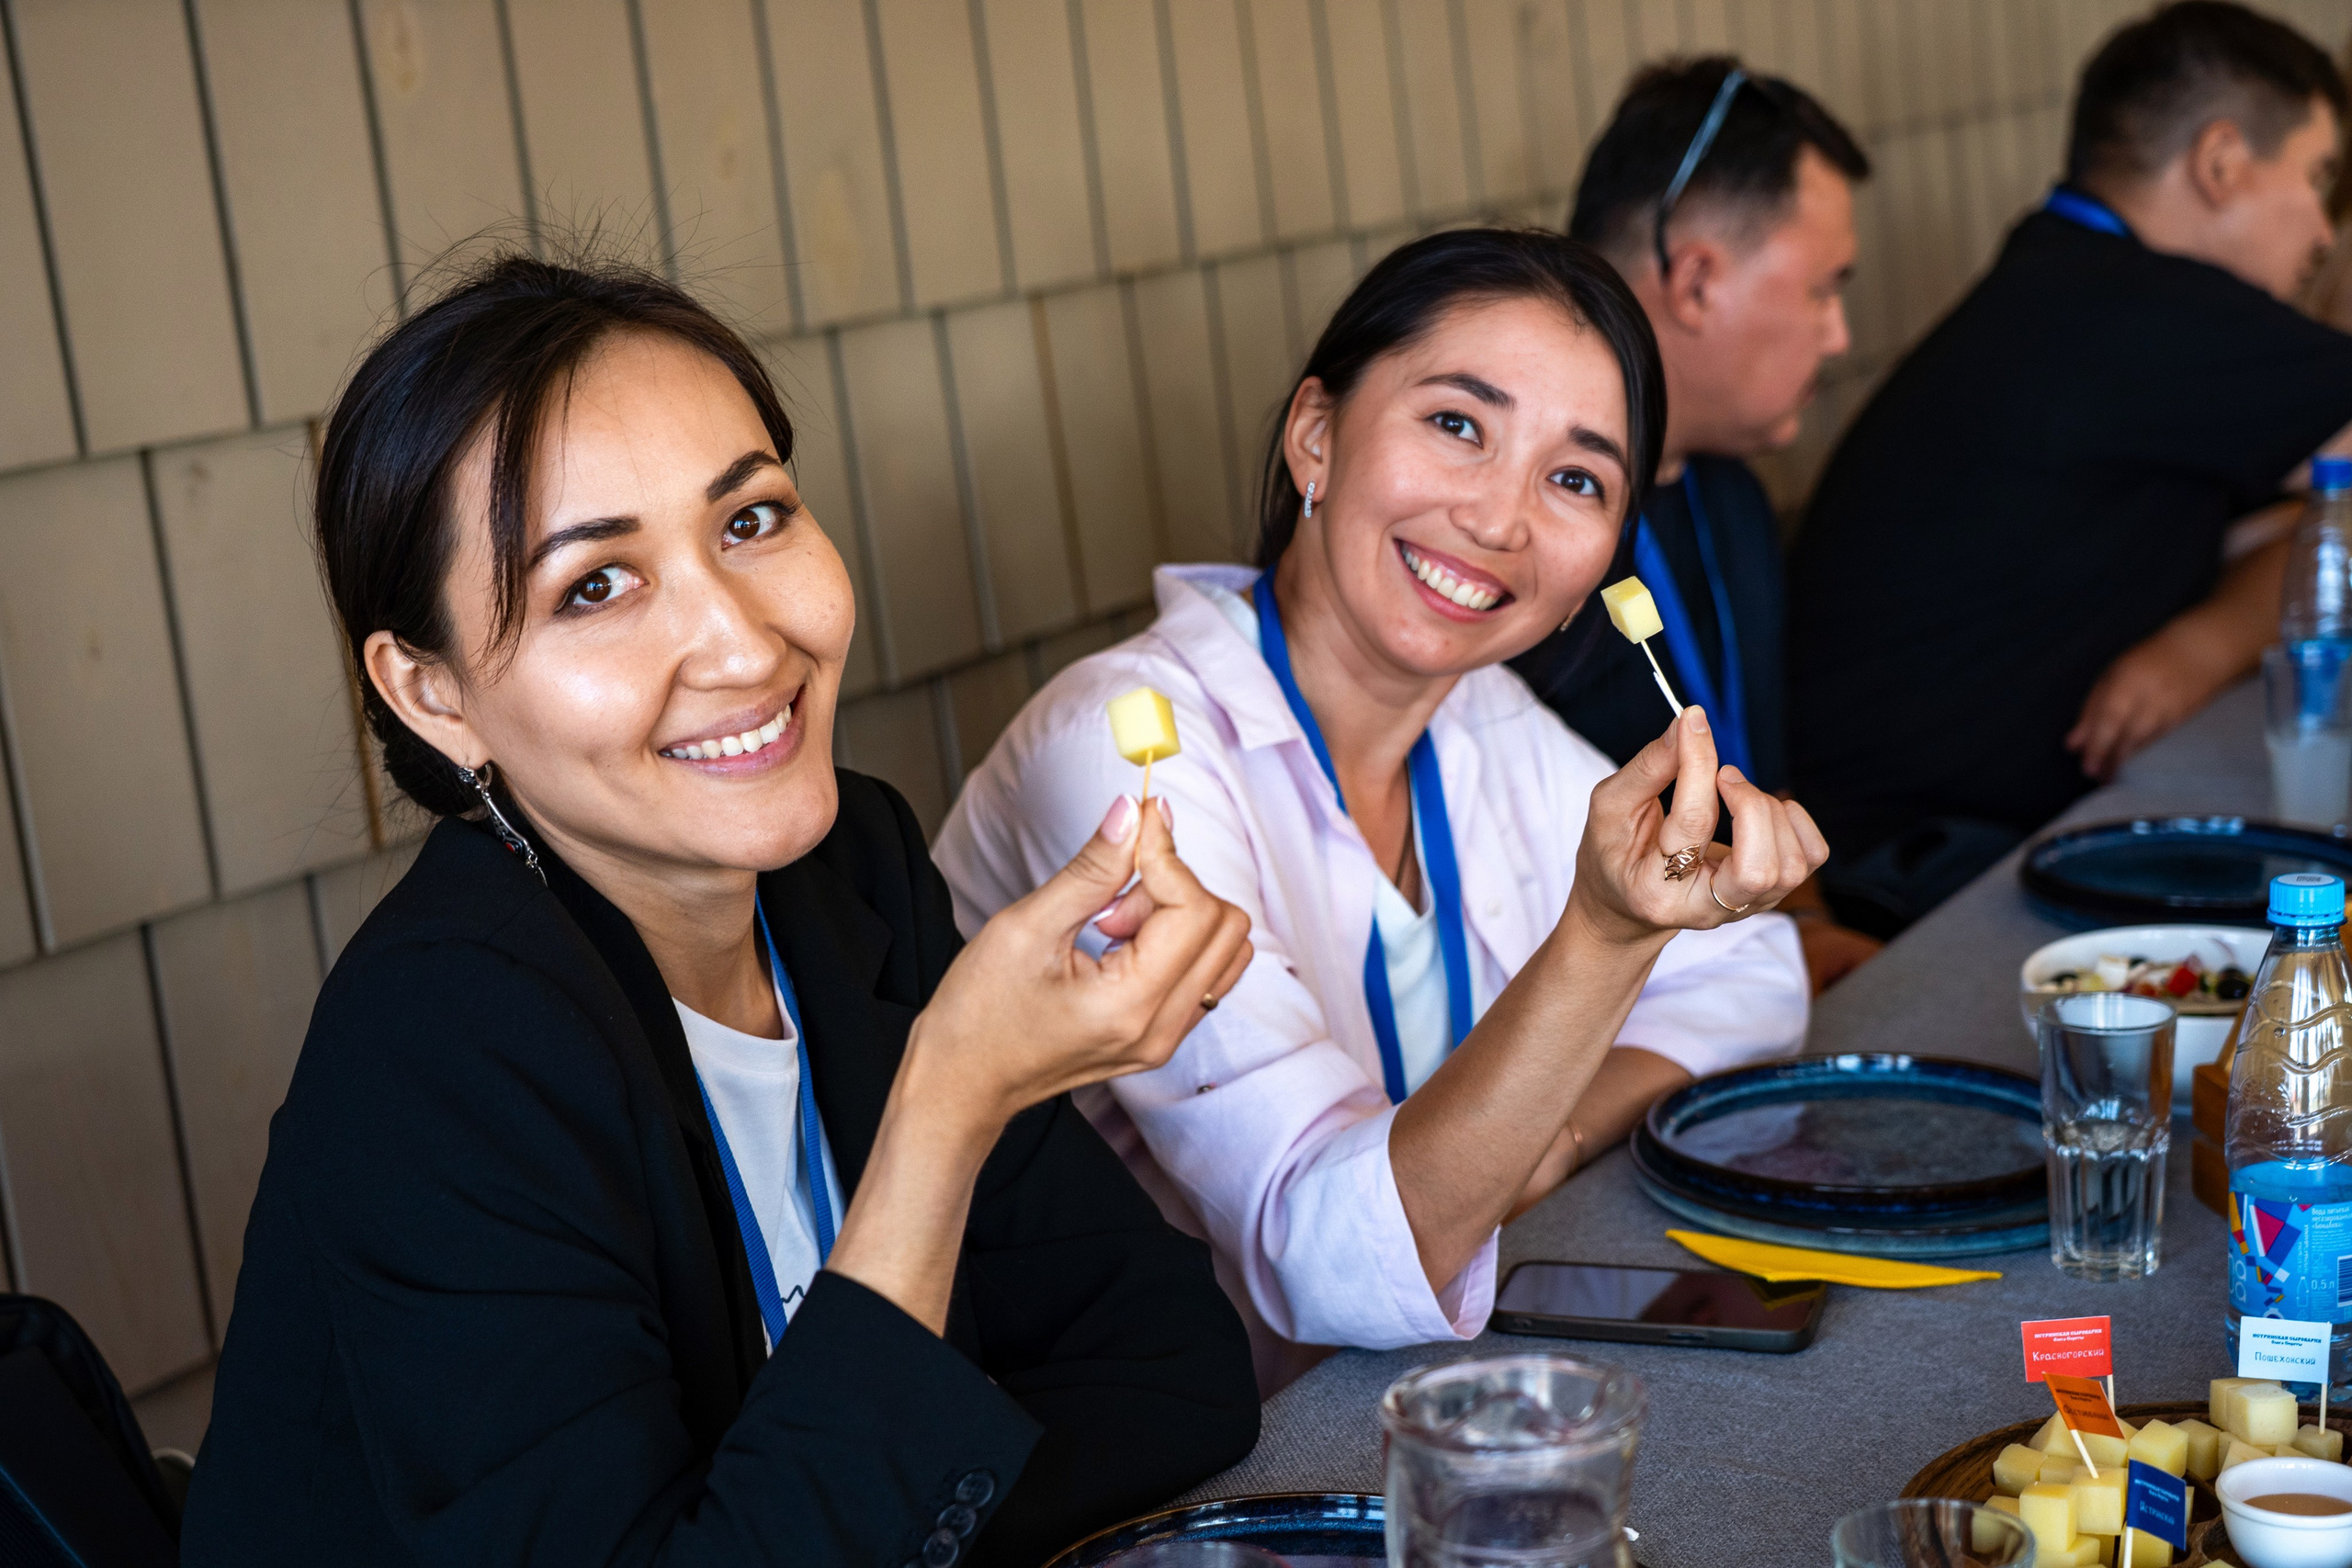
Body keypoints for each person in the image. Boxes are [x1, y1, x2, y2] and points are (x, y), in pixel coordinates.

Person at [180, 256, 1260, 1568]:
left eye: (750, 521)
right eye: (597, 585)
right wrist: (949, 1096)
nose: (747, 644)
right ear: (432, 693)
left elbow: (1171, 1369)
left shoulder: (847, 868)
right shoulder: (436, 1049)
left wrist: (847, 1521)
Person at [935, 229, 1826, 1392]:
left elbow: (1755, 975)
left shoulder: (1476, 719)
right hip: (1165, 1465)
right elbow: (1329, 1257)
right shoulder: (1124, 752)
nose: (1501, 519)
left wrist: (1549, 1134)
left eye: (1575, 479)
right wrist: (1603, 946)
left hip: (1402, 1396)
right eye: (1458, 424)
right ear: (1317, 435)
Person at [1788, 0, 2352, 937]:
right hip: (1908, 881)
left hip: (1959, 835)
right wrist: (2210, 640)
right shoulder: (2135, 312)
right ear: (2220, 163)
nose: (2325, 233)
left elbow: (2317, 522)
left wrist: (2204, 639)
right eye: (2317, 178)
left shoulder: (2071, 284)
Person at [1510, 56, 1883, 990]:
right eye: (1822, 288)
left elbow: (1760, 786)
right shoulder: (1512, 553)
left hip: (1744, 967)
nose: (1838, 335)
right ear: (1696, 281)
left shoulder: (1728, 495)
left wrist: (1804, 931)